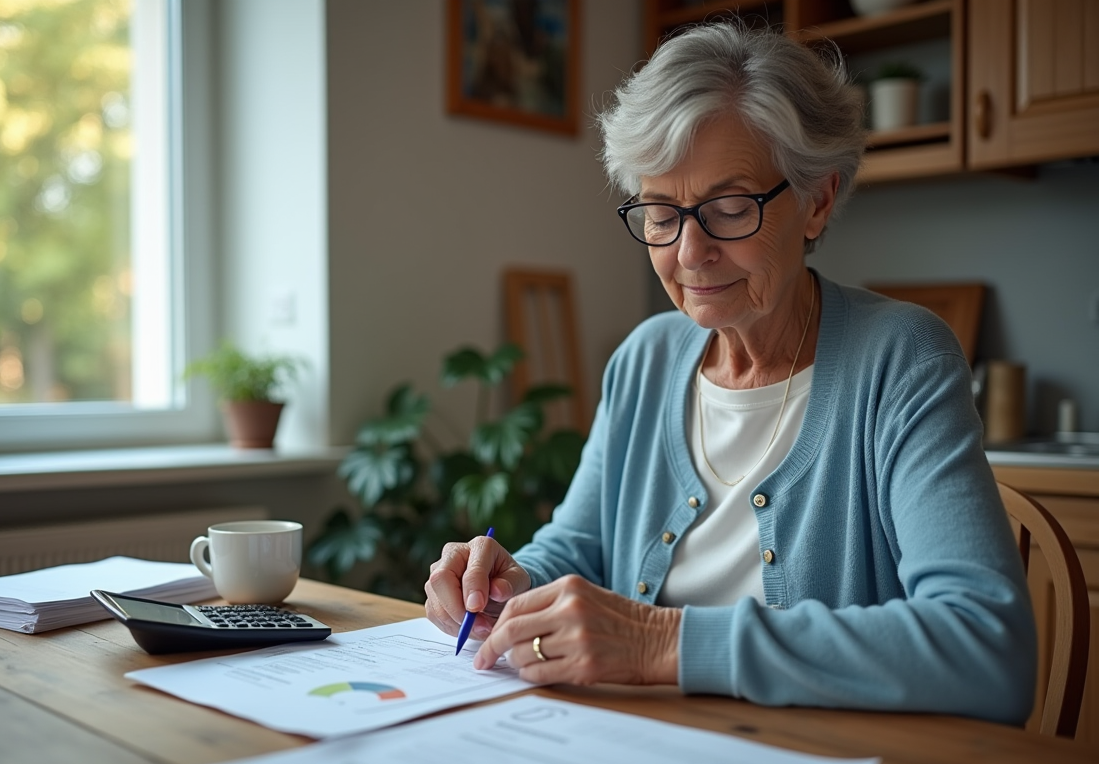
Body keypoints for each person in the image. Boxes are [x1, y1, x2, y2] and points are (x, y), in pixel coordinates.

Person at [424, 21, 1036, 725]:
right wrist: (506, 581)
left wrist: (662, 643)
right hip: (640, 749)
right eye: (661, 212)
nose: (690, 252)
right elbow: (581, 546)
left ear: (817, 201)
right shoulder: (645, 359)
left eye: (729, 209)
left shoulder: (902, 361)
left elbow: (988, 648)